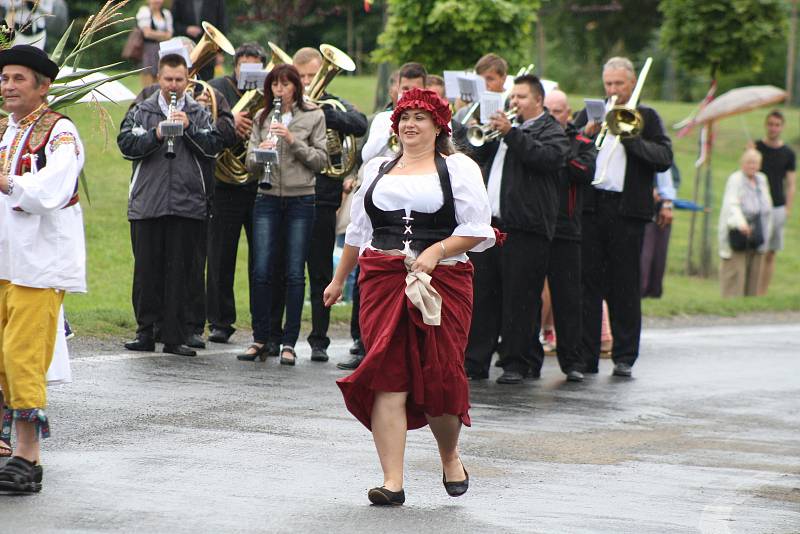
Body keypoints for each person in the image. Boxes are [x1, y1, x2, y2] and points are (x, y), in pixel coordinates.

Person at [323, 87, 494, 505]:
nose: (410, 124)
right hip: (382, 280)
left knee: (440, 377)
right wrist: (336, 279)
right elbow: (359, 234)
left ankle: (450, 455)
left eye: (420, 117)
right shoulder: (379, 167)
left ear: (439, 126)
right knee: (387, 377)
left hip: (444, 281)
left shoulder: (458, 168)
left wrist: (435, 252)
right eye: (404, 117)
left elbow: (478, 228)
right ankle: (392, 480)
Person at [0, 44, 85, 492]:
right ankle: (7, 447)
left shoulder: (60, 132)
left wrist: (7, 180)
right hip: (5, 261)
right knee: (1, 357)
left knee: (22, 358)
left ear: (43, 85)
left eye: (18, 79)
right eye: (4, 79)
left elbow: (54, 186)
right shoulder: (6, 131)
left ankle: (28, 459)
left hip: (39, 264)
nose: (8, 86)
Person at [464, 74, 569, 384]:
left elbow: (546, 159)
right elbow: (473, 154)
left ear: (538, 100)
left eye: (521, 97)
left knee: (519, 298)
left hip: (527, 227)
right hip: (491, 225)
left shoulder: (552, 130)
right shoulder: (502, 129)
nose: (514, 102)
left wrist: (511, 134)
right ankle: (475, 361)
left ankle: (517, 362)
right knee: (484, 295)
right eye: (513, 97)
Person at [118, 53, 224, 357]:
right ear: (158, 79)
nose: (174, 86)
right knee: (147, 270)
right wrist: (157, 133)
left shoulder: (199, 112)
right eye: (168, 80)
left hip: (187, 201)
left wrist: (188, 128)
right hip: (147, 202)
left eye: (179, 80)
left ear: (188, 80)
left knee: (182, 271)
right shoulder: (143, 109)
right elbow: (125, 144)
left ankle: (175, 336)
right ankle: (145, 332)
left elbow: (215, 145)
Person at [264, 47, 366, 362]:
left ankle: (319, 339)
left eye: (312, 74)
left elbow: (360, 123)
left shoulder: (331, 104)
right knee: (282, 268)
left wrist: (324, 114)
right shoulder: (282, 108)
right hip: (287, 194)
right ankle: (274, 337)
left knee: (320, 269)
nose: (308, 82)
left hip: (322, 197)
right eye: (303, 76)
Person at [574, 56, 672, 378]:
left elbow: (663, 158)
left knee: (625, 285)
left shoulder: (647, 116)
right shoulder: (591, 113)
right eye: (609, 84)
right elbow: (569, 151)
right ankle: (586, 356)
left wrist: (630, 136)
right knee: (588, 283)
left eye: (619, 84)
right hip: (591, 207)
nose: (614, 90)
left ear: (632, 84)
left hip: (627, 211)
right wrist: (584, 135)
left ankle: (625, 356)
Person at [236, 64, 326, 364]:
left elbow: (320, 160)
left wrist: (290, 139)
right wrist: (260, 152)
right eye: (275, 84)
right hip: (267, 197)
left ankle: (289, 342)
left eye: (285, 84)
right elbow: (249, 164)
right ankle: (260, 338)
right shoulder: (262, 117)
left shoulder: (314, 115)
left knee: (293, 273)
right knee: (261, 271)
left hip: (302, 199)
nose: (279, 89)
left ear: (295, 87)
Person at [205, 42, 267, 344]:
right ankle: (219, 321)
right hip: (224, 184)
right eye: (244, 65)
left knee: (262, 259)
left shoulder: (270, 93)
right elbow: (204, 122)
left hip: (257, 184)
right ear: (235, 66)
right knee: (220, 256)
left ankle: (262, 323)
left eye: (255, 66)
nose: (248, 71)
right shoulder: (218, 88)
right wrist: (231, 122)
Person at [541, 89, 597, 382]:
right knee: (527, 295)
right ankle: (526, 360)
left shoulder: (582, 141)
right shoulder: (533, 137)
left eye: (558, 112)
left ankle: (573, 361)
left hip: (567, 229)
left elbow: (584, 170)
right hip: (536, 225)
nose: (553, 117)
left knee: (568, 298)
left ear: (568, 113)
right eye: (547, 111)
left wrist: (559, 149)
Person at [718, 149, 773, 298]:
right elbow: (731, 204)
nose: (752, 166)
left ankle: (750, 303)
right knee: (736, 271)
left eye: (755, 163)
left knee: (754, 271)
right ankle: (732, 301)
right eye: (749, 162)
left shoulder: (762, 179)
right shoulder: (736, 179)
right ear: (742, 164)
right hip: (737, 230)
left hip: (757, 230)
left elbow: (767, 206)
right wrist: (741, 223)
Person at [755, 110, 795, 295]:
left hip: (777, 205)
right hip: (758, 205)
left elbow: (791, 183)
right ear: (765, 125)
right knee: (758, 252)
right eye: (770, 124)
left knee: (771, 252)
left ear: (782, 127)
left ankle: (763, 291)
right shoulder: (756, 147)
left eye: (777, 125)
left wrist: (788, 208)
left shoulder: (788, 153)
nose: (773, 128)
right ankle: (752, 290)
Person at [361, 62, 426, 164]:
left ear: (425, 91)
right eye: (405, 89)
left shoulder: (435, 120)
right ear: (398, 89)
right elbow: (366, 156)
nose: (409, 94)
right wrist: (389, 132)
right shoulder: (382, 118)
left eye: (415, 90)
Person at [640, 164, 677, 298]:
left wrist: (667, 203)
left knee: (654, 254)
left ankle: (650, 290)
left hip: (657, 204)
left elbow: (667, 174)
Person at [170, 0, 227, 81]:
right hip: (186, 49)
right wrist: (186, 29)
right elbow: (173, 23)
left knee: (207, 82)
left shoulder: (217, 1)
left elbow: (222, 24)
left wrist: (220, 52)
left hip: (208, 53)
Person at [453, 53, 508, 124]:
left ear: (503, 78)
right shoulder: (467, 111)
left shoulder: (511, 103)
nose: (484, 84)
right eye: (480, 79)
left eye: (490, 79)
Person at [136, 0, 174, 87]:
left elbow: (170, 35)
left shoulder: (166, 13)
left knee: (162, 74)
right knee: (148, 77)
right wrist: (163, 34)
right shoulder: (145, 12)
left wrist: (155, 34)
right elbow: (147, 33)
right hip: (148, 50)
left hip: (163, 49)